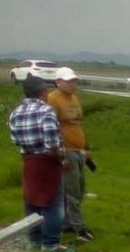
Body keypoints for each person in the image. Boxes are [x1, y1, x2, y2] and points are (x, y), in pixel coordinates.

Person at [8, 74, 74, 252]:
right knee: (52, 204)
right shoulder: (46, 111)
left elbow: (15, 140)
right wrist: (62, 157)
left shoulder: (16, 112)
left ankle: (33, 240)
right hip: (48, 162)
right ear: (43, 93)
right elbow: (52, 144)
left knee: (32, 201)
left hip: (29, 160)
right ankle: (51, 243)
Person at [46, 66, 94, 242]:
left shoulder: (74, 98)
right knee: (71, 191)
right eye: (68, 81)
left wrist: (88, 148)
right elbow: (51, 127)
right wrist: (60, 153)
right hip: (66, 150)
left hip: (79, 150)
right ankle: (80, 227)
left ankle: (65, 223)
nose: (72, 84)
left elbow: (79, 124)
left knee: (80, 189)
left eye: (74, 81)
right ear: (58, 82)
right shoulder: (52, 99)